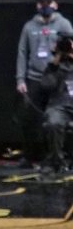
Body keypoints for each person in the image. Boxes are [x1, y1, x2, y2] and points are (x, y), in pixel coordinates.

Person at [15, 0, 72, 165]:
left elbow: (70, 46)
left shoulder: (63, 24)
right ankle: (31, 155)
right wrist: (20, 79)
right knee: (30, 117)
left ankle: (58, 154)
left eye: (49, 2)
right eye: (41, 3)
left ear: (55, 4)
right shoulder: (29, 27)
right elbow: (22, 53)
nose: (45, 6)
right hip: (35, 77)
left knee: (56, 116)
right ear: (37, 5)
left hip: (58, 76)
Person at [41, 32, 73, 171]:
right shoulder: (53, 66)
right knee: (53, 123)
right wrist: (55, 64)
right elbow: (46, 86)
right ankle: (57, 160)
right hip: (60, 106)